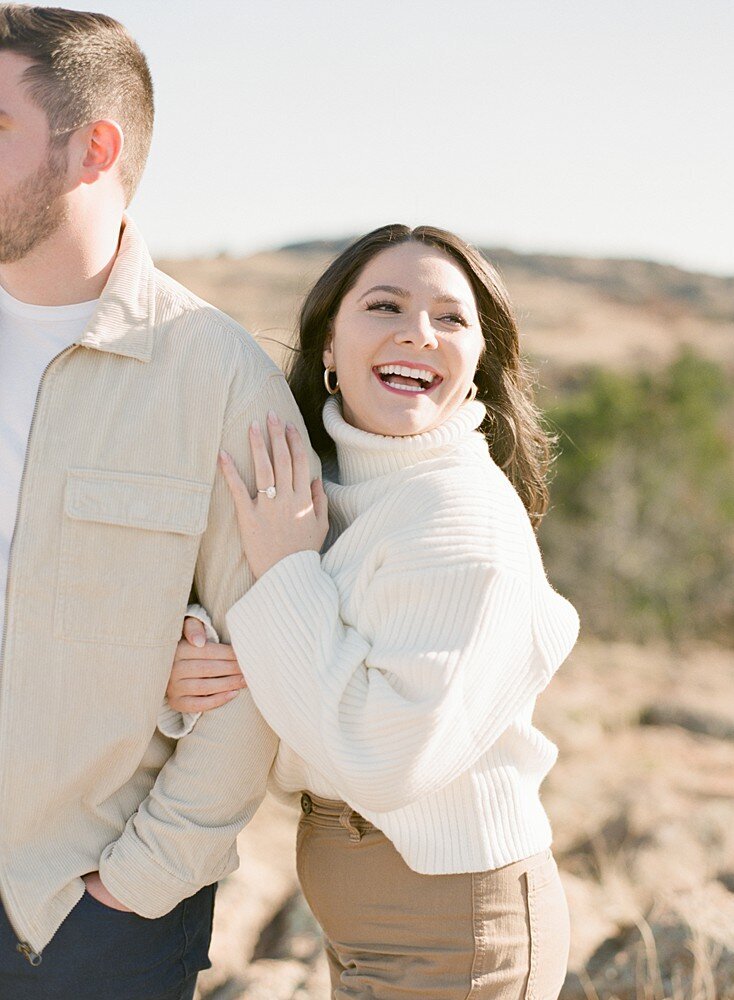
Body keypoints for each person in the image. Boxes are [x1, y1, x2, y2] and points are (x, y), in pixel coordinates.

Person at [169, 224, 580, 999]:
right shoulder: (321, 488)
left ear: (478, 361)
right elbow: (310, 663)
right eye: (385, 305)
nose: (418, 334)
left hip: (453, 925)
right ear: (328, 342)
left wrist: (288, 569)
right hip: (365, 912)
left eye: (451, 319)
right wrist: (197, 658)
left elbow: (380, 756)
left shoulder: (460, 515)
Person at [0, 6, 316, 998]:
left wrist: (134, 889)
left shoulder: (221, 380)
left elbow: (258, 668)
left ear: (92, 147)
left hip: (85, 926)